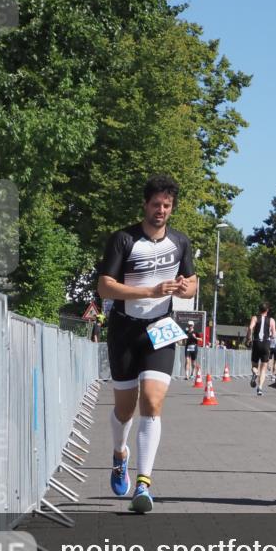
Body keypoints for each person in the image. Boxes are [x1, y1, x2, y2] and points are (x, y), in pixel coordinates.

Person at [97, 174, 197, 513]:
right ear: (145, 205)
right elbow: (105, 287)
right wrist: (149, 291)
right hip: (125, 329)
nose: (161, 210)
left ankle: (144, 484)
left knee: (152, 402)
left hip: (161, 329)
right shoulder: (124, 239)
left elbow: (193, 282)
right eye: (156, 204)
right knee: (125, 409)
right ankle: (119, 454)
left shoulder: (180, 242)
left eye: (167, 205)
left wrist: (185, 288)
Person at [246, 302, 276, 396]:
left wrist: (248, 338)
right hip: (266, 344)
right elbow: (273, 334)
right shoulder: (271, 320)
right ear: (267, 310)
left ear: (259, 309)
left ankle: (255, 373)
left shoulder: (255, 318)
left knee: (254, 365)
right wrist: (270, 336)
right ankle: (260, 388)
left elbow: (250, 328)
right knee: (263, 368)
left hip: (256, 343)